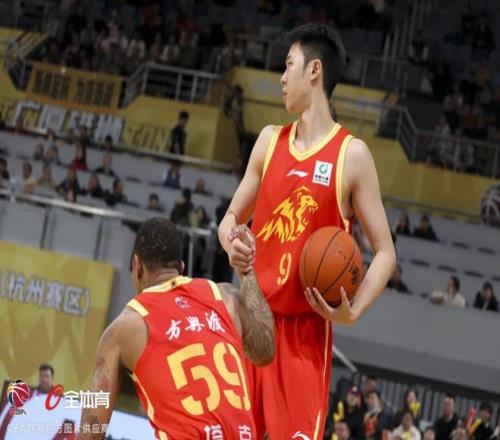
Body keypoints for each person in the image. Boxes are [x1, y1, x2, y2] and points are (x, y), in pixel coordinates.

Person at [218, 23, 396, 438]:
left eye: (288, 65)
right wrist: (230, 243)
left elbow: (386, 252)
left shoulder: (352, 156)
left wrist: (354, 310)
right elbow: (230, 218)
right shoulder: (268, 141)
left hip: (305, 336)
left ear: (314, 70)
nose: (282, 77)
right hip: (251, 316)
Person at [78, 218, 275, 438]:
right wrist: (247, 273)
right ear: (181, 268)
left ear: (137, 266)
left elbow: (91, 429)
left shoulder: (124, 329)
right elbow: (266, 350)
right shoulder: (225, 297)